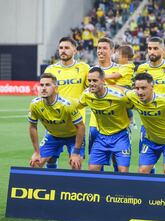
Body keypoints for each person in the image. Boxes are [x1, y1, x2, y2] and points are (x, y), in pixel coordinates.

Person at [136, 37, 165, 174]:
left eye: (155, 48)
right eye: (149, 48)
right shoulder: (142, 68)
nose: (152, 51)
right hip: (148, 122)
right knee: (145, 168)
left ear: (163, 50)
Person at [44, 37, 90, 168]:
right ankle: (52, 185)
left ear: (75, 50)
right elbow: (44, 95)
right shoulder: (50, 70)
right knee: (50, 159)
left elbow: (91, 90)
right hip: (55, 124)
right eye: (61, 48)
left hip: (76, 126)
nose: (63, 51)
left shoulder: (84, 68)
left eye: (67, 48)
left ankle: (74, 188)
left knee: (76, 163)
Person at [124, 73, 165, 175]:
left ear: (152, 87)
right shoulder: (133, 96)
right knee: (142, 172)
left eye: (143, 88)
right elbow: (122, 90)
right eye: (137, 88)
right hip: (150, 141)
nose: (140, 92)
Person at [78, 67, 132, 172]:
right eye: (89, 81)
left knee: (122, 171)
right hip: (101, 136)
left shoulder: (119, 96)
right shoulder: (87, 95)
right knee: (92, 170)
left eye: (95, 80)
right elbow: (76, 106)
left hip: (120, 135)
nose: (91, 83)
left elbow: (135, 104)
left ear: (103, 81)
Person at [28, 73, 85, 170]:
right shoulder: (35, 104)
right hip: (53, 136)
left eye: (48, 85)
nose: (44, 88)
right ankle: (51, 183)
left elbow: (81, 127)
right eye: (42, 85)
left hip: (73, 137)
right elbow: (32, 126)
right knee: (35, 163)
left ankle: (74, 184)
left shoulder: (67, 105)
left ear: (56, 88)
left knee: (76, 164)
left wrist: (75, 152)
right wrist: (36, 152)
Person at [88, 37, 124, 171]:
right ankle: (99, 190)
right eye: (99, 48)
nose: (101, 51)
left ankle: (118, 191)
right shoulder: (91, 71)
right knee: (97, 163)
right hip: (96, 123)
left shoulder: (120, 70)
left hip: (117, 124)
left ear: (112, 50)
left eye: (104, 48)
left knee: (118, 163)